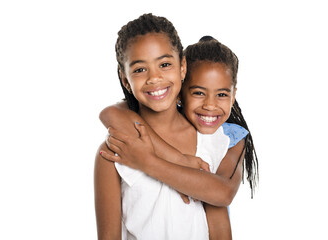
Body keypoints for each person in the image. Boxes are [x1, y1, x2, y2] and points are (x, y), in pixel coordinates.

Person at [94, 13, 258, 240]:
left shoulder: (212, 143)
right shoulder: (115, 149)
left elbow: (220, 229)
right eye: (140, 69)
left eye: (164, 64)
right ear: (125, 80)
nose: (154, 78)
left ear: (182, 67)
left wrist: (148, 161)